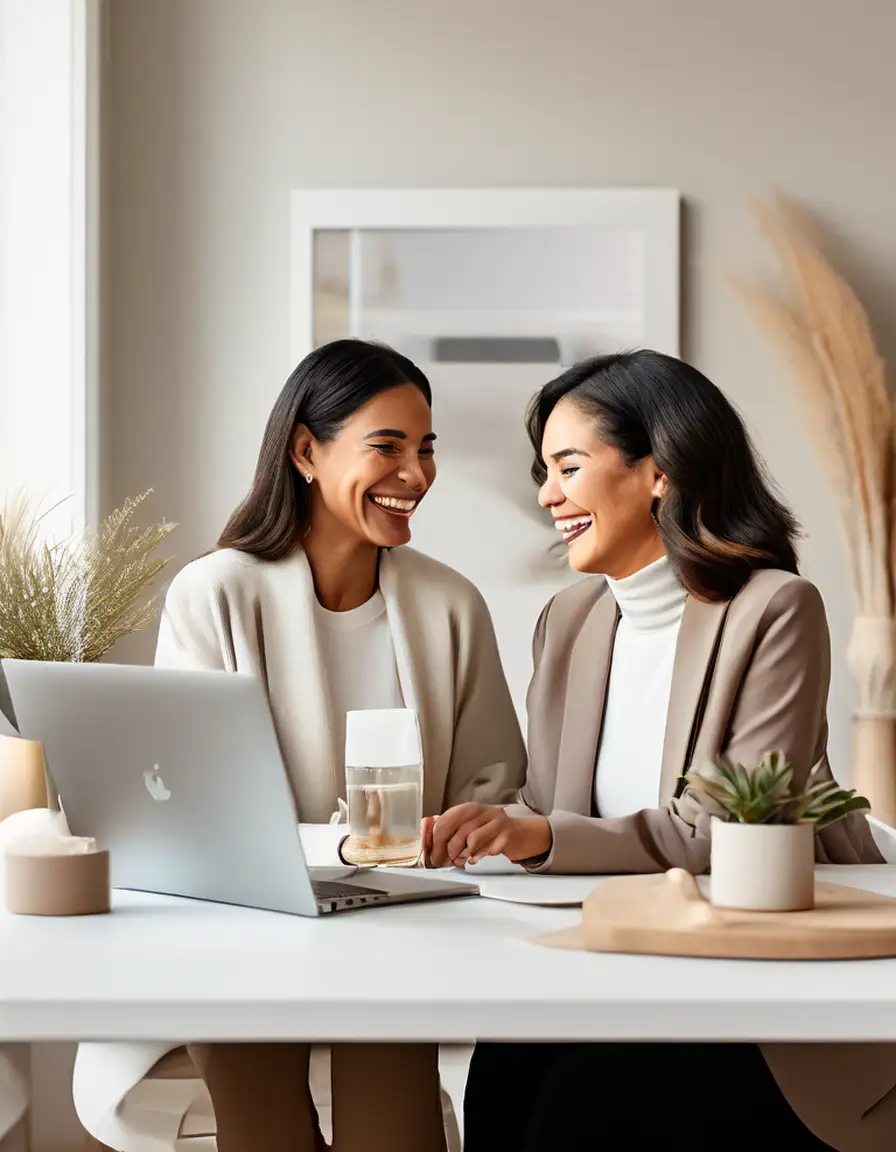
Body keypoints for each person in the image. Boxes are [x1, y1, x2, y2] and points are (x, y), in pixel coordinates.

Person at [425, 350, 896, 1152]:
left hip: (753, 993)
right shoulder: (568, 621)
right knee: (500, 1068)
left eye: (568, 466)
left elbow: (722, 834)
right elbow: (550, 809)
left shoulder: (773, 610)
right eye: (545, 471)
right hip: (613, 959)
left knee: (576, 1107)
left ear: (660, 473)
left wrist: (535, 836)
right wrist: (489, 825)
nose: (548, 495)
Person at [74, 339, 526, 1152]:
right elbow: (187, 803)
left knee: (394, 1112)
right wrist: (346, 845)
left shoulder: (452, 604)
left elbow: (493, 790)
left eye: (426, 450)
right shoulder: (216, 593)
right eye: (387, 446)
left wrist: (463, 834)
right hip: (241, 931)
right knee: (261, 1109)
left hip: (402, 927)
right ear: (307, 451)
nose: (416, 474)